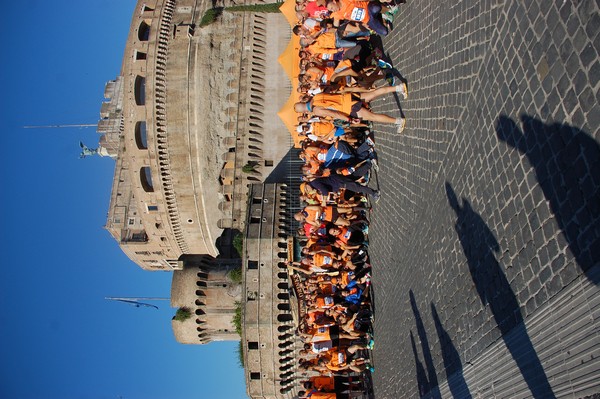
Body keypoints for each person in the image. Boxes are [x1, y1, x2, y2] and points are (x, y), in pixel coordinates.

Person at [294, 84, 408, 133]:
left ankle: (398, 121)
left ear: (304, 111)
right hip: (348, 97)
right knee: (374, 93)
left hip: (348, 108)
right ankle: (398, 88)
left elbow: (335, 114)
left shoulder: (315, 110)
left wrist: (349, 120)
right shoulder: (316, 96)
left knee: (373, 117)